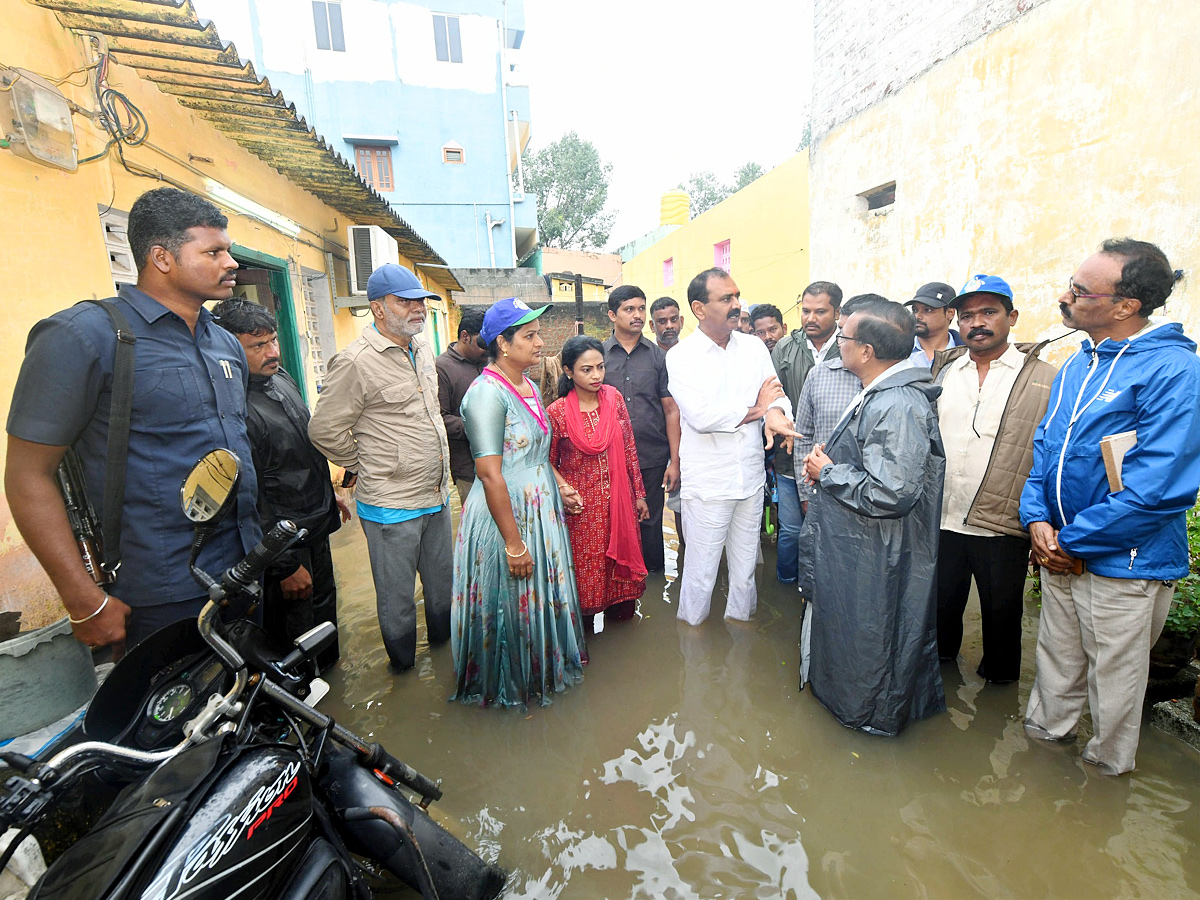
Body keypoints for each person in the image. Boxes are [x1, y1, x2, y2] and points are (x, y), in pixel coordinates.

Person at [6, 187, 261, 652]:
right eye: (214, 251)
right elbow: (28, 474)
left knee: (241, 713)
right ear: (161, 258)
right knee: (171, 721)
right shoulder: (85, 336)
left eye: (228, 250)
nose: (231, 263)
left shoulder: (224, 343)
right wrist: (84, 600)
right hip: (156, 595)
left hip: (242, 574)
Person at [1021, 239, 1200, 775]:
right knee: (1055, 673)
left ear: (1125, 306)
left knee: (1114, 693)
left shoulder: (1174, 372)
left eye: (1080, 290)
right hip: (1060, 552)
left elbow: (1157, 490)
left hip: (1124, 564)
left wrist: (1071, 543)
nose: (1066, 296)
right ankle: (1040, 774)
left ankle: (1102, 793)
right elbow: (1045, 451)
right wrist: (1038, 521)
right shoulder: (1079, 363)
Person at [802, 298, 945, 734]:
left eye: (843, 337)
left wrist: (828, 473)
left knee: (876, 636)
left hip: (879, 551)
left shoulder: (897, 404)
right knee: (861, 632)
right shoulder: (880, 392)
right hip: (861, 546)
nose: (837, 344)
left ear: (866, 351)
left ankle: (870, 716)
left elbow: (892, 491)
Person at [308, 263, 451, 673]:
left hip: (436, 497)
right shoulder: (355, 362)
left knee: (443, 592)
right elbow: (324, 430)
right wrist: (362, 465)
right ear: (378, 308)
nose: (418, 309)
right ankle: (404, 673)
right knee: (397, 603)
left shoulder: (422, 349)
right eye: (405, 302)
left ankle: (444, 666)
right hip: (391, 505)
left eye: (421, 301)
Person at [451, 298, 588, 706]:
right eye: (530, 336)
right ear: (503, 344)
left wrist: (559, 485)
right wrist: (513, 543)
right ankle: (508, 687)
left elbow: (536, 451)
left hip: (539, 506)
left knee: (537, 594)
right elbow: (490, 472)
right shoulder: (486, 394)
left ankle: (541, 673)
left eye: (538, 333)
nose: (540, 342)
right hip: (505, 514)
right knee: (508, 602)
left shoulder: (526, 385)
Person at [928, 276, 1057, 684]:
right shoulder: (944, 369)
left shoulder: (1043, 377)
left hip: (1002, 522)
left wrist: (1048, 520)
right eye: (967, 315)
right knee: (940, 612)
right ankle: (939, 685)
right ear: (956, 321)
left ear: (1011, 317)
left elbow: (1052, 455)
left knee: (1002, 617)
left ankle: (999, 695)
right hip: (944, 516)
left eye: (989, 312)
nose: (976, 323)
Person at [213, 299, 350, 669]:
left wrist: (328, 493)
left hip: (314, 525)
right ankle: (299, 707)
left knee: (324, 622)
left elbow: (302, 448)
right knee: (293, 640)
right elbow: (249, 495)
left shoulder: (280, 378)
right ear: (227, 347)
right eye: (258, 346)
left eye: (273, 341)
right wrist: (284, 566)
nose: (273, 352)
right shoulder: (231, 405)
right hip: (280, 544)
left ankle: (331, 694)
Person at [667, 268, 798, 626]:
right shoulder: (681, 356)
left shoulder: (753, 347)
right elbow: (701, 416)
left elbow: (776, 393)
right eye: (727, 299)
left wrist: (775, 413)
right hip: (708, 483)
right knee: (701, 573)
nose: (738, 305)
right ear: (698, 308)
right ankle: (691, 644)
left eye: (737, 296)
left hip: (751, 478)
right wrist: (758, 409)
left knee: (745, 570)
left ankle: (741, 639)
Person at [549, 335, 650, 628]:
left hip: (620, 506)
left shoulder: (614, 399)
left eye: (600, 367)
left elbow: (629, 448)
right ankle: (584, 639)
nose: (596, 376)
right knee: (587, 576)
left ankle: (623, 639)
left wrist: (639, 495)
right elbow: (546, 461)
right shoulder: (556, 413)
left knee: (622, 582)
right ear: (568, 371)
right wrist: (563, 490)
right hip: (582, 515)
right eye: (586, 369)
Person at [601, 285, 680, 573]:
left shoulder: (658, 358)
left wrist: (675, 460)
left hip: (651, 456)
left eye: (640, 309)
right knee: (612, 523)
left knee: (650, 524)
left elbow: (671, 410)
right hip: (608, 457)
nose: (637, 315)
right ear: (612, 315)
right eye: (629, 309)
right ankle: (617, 588)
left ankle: (654, 591)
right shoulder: (598, 356)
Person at [769, 282, 843, 585]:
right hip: (789, 457)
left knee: (833, 533)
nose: (810, 318)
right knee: (790, 532)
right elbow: (771, 392)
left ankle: (825, 589)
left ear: (837, 312)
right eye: (805, 311)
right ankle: (787, 589)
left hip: (835, 460)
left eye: (820, 311)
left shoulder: (851, 346)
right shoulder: (786, 348)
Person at [436, 306, 488, 505]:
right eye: (482, 343)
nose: (488, 349)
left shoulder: (490, 362)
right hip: (468, 469)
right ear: (465, 336)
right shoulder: (441, 368)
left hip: (503, 463)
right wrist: (480, 426)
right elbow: (438, 419)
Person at [906, 282, 963, 367]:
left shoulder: (967, 353)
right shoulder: (897, 350)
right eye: (915, 310)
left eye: (927, 310)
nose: (918, 316)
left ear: (950, 313)